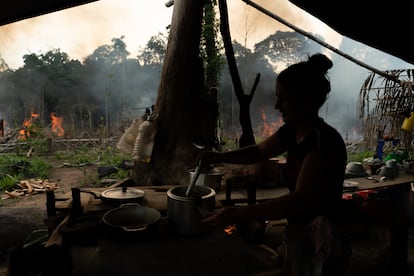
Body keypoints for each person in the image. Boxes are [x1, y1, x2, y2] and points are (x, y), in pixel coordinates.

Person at [202, 53, 350, 276]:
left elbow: (297, 201)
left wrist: (238, 214)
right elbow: (259, 151)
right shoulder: (293, 131)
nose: (277, 105)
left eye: (284, 98)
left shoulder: (323, 144)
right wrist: (218, 156)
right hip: (300, 229)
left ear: (306, 100)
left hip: (323, 236)